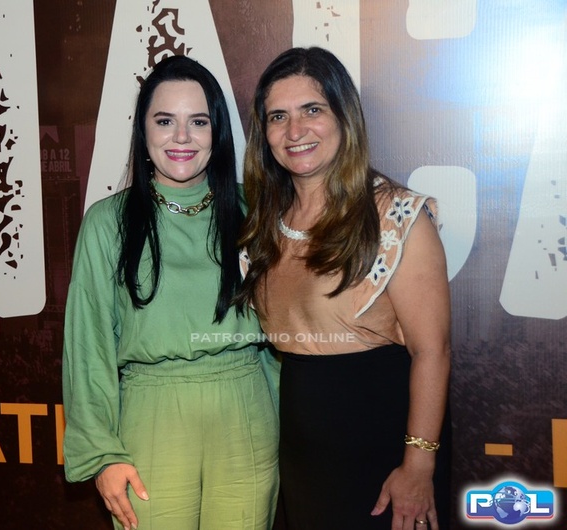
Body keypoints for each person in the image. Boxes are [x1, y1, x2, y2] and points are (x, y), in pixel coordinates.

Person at [236, 47, 452, 530]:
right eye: (278, 116)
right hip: (301, 451)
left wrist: (418, 465)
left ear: (344, 117)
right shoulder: (263, 226)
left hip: (384, 448)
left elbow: (432, 351)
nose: (295, 131)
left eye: (312, 109)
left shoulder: (396, 216)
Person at [62, 54, 280, 530]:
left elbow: (284, 337)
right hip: (152, 417)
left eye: (198, 122)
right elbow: (88, 346)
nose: (181, 137)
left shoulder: (256, 211)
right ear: (143, 131)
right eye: (165, 121)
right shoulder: (107, 222)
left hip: (247, 413)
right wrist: (102, 453)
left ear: (217, 132)